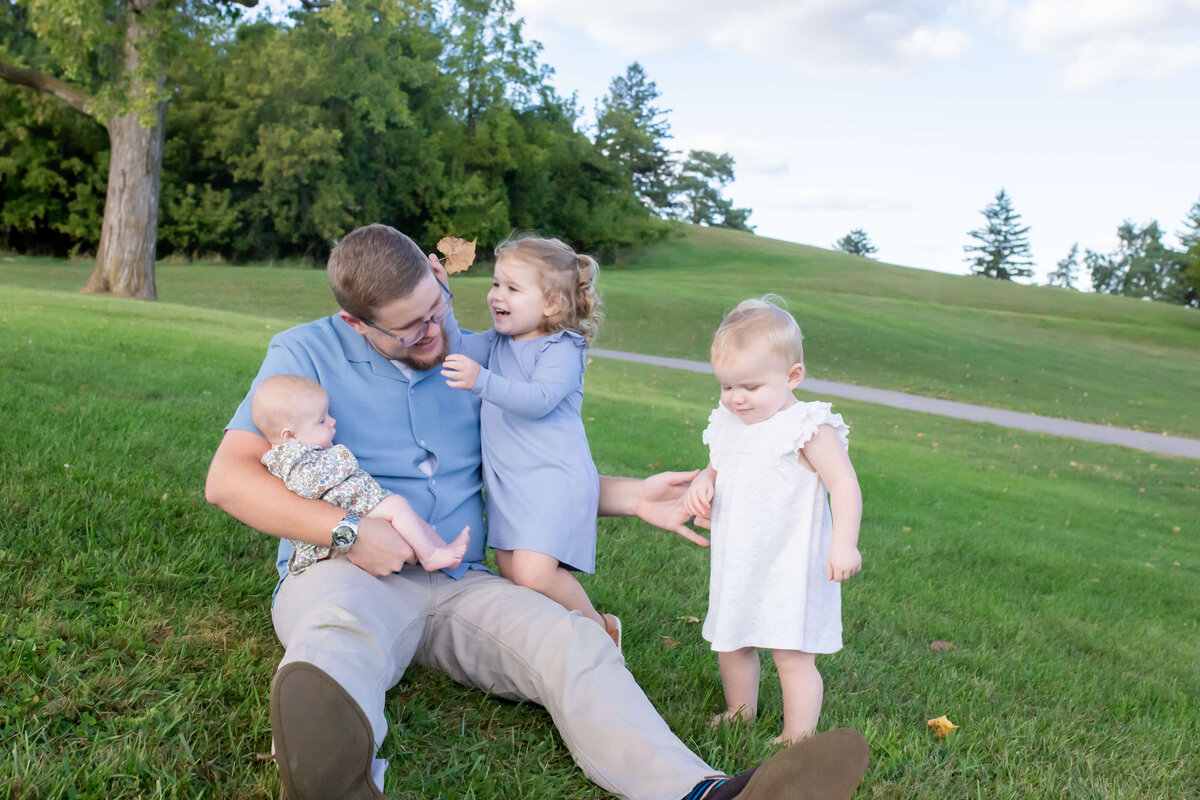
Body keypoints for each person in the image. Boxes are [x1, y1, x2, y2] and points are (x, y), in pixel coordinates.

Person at [205, 224, 869, 800]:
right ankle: (335, 784)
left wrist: (635, 497)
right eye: (411, 327)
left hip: (461, 582)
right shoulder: (302, 354)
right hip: (344, 571)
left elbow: (530, 475)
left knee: (571, 640)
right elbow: (228, 481)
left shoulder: (470, 358)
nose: (435, 332)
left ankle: (700, 792)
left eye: (437, 308)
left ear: (439, 280)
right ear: (357, 322)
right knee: (336, 635)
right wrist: (349, 533)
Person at [684, 297, 864, 745]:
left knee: (791, 652)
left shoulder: (806, 427)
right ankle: (739, 711)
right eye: (726, 386)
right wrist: (704, 481)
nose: (736, 398)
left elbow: (843, 484)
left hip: (792, 563)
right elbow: (719, 464)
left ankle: (796, 735)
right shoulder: (729, 422)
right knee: (733, 640)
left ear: (792, 376)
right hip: (740, 558)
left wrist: (844, 543)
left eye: (749, 386)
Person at [441, 235, 620, 646]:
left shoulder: (562, 349)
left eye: (512, 288)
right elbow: (457, 346)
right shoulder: (497, 341)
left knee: (535, 573)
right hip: (510, 486)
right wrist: (442, 300)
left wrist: (481, 380)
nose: (496, 295)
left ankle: (599, 630)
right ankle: (554, 640)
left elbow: (538, 400)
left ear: (552, 304)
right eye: (496, 284)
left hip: (552, 480)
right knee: (514, 574)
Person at [251, 373, 470, 574]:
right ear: (290, 435)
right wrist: (340, 456)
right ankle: (431, 556)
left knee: (407, 514)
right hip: (341, 513)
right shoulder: (289, 457)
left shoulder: (299, 448)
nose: (332, 421)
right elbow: (306, 486)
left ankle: (442, 549)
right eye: (322, 420)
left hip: (354, 503)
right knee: (398, 506)